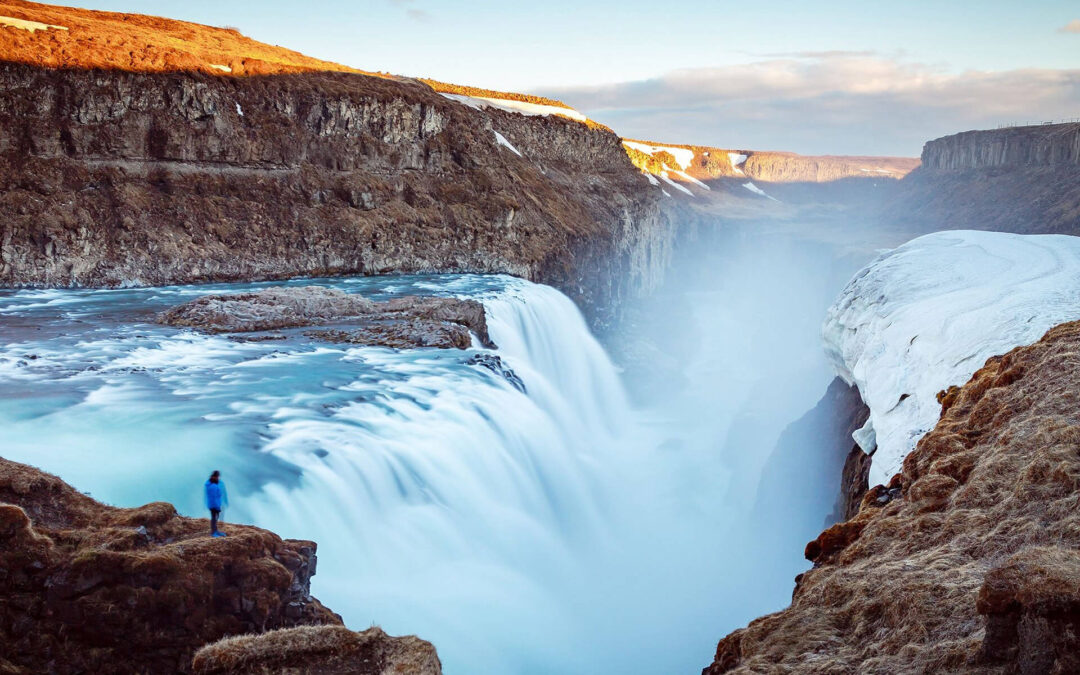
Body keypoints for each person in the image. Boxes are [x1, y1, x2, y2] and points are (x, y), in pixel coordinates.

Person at [204, 470, 229, 537]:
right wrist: (217, 507)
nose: (218, 478)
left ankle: (215, 531)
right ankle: (214, 533)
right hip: (214, 505)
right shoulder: (213, 486)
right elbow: (214, 498)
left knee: (214, 518)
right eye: (218, 477)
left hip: (213, 505)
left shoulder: (211, 484)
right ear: (215, 476)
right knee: (214, 518)